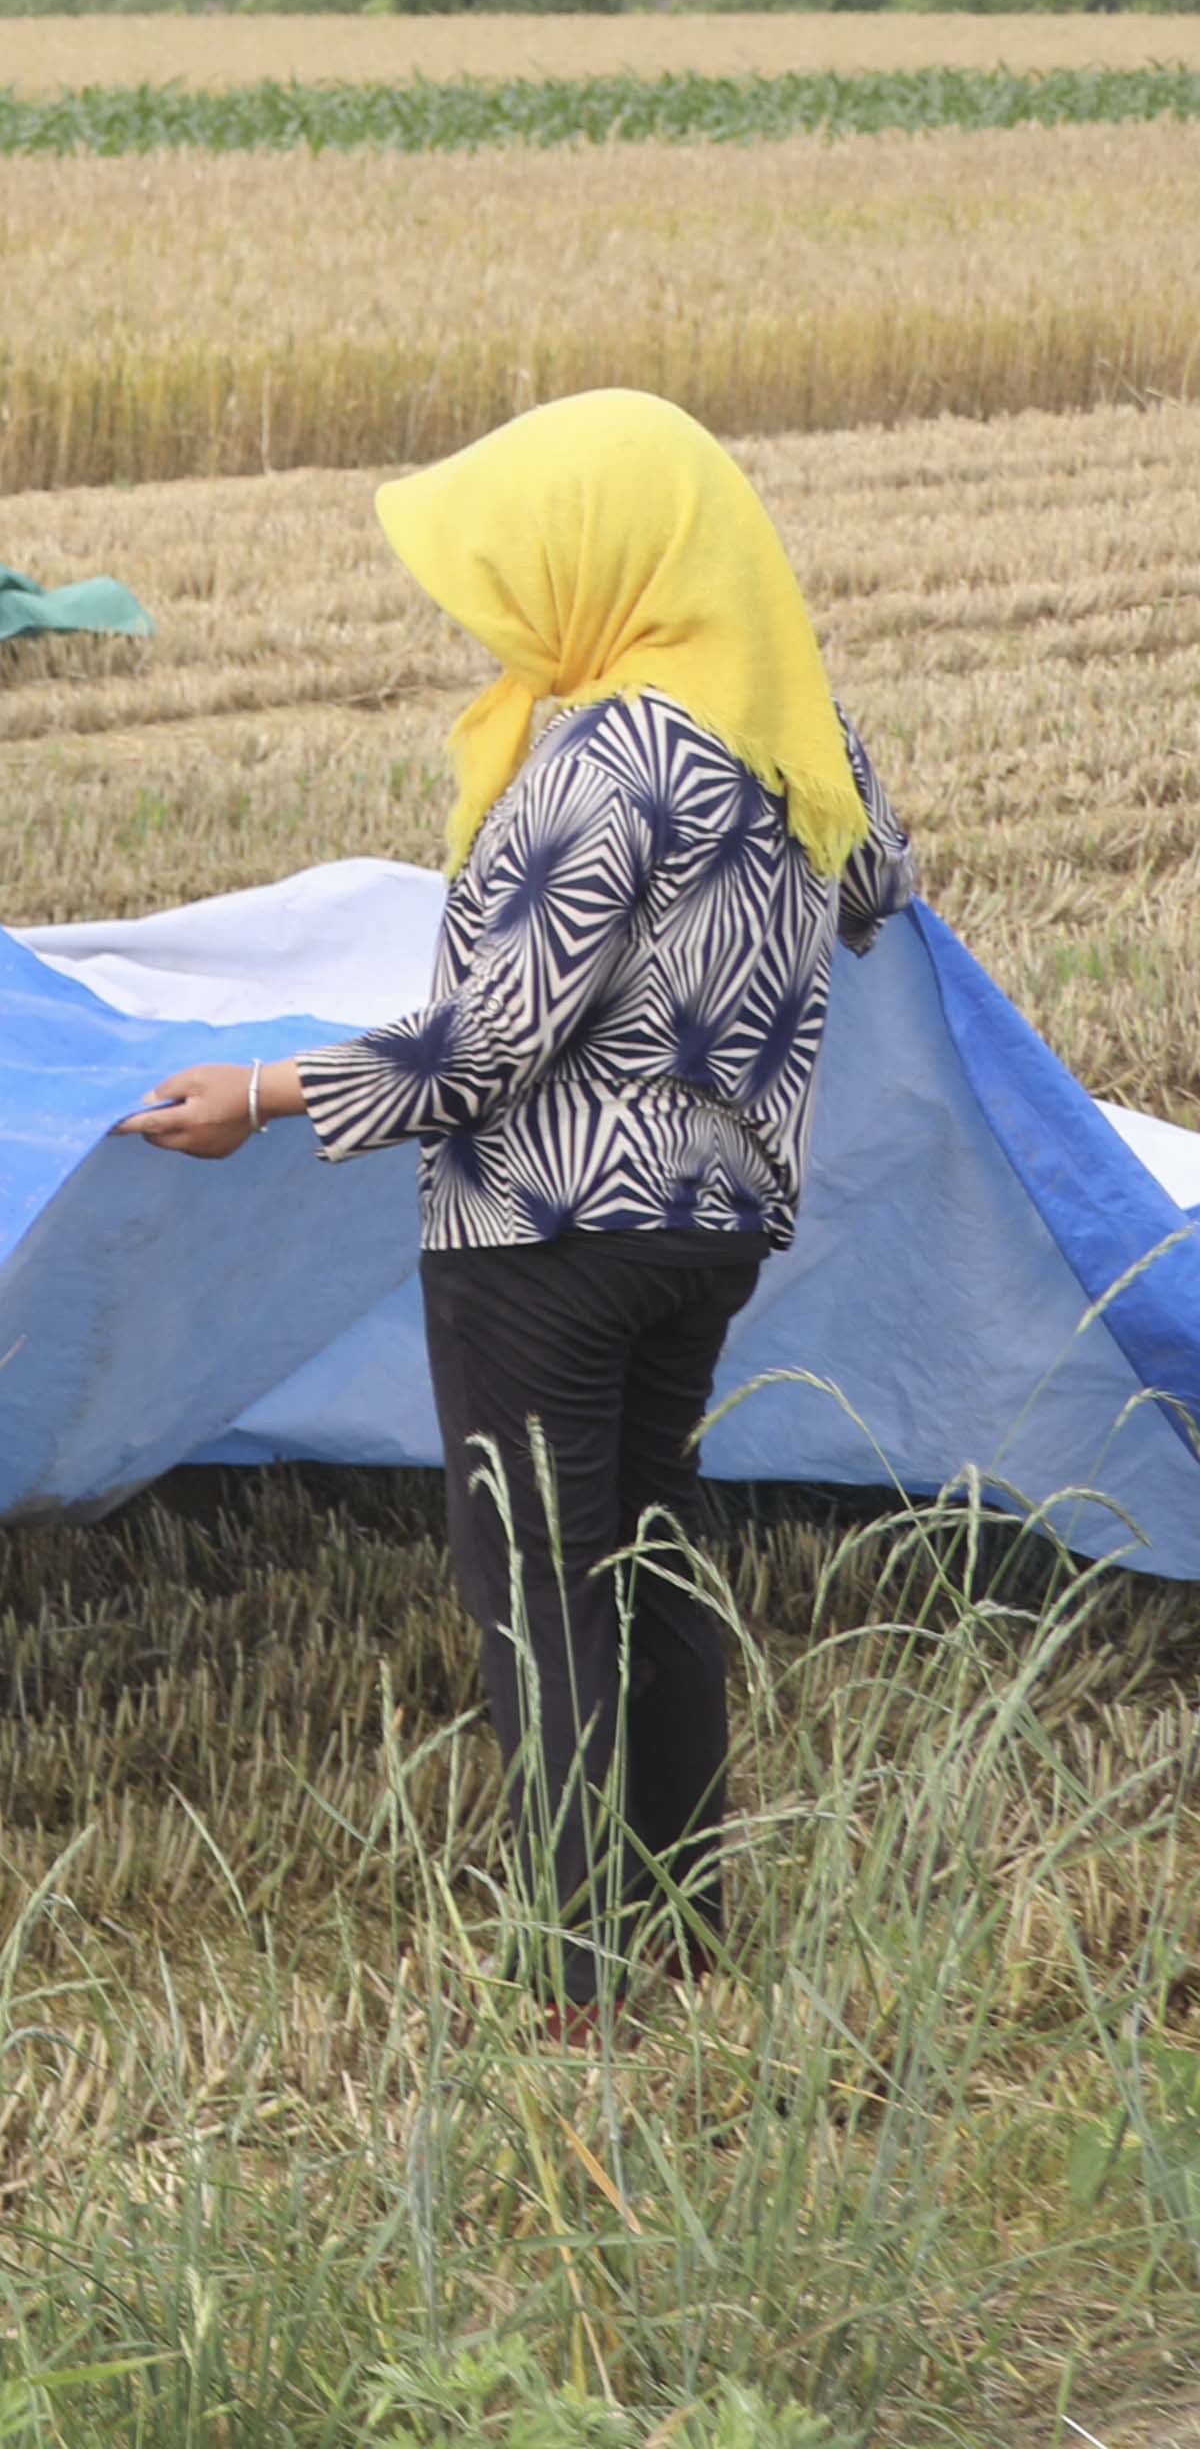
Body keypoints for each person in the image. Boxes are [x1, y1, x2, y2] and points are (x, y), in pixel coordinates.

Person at [122, 386, 915, 2015]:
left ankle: (576, 1981)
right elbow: (878, 892)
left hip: (546, 1243)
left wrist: (263, 1097)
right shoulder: (797, 729)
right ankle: (686, 1944)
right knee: (655, 1560)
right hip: (715, 1235)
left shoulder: (611, 755)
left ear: (604, 553)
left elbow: (490, 1043)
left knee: (544, 1594)